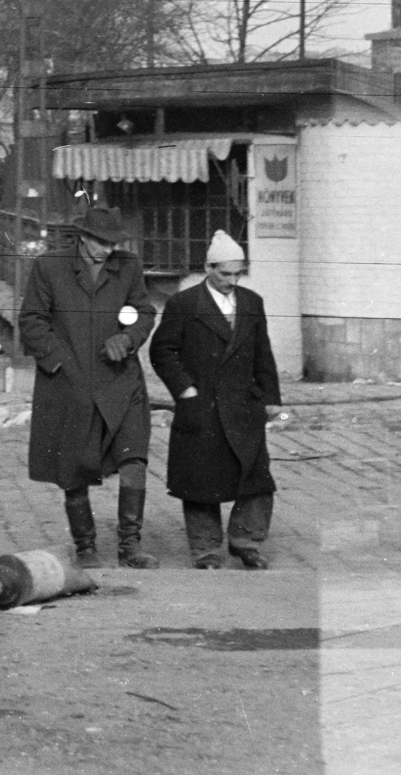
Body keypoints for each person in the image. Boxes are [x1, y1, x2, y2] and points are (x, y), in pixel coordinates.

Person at [19, 206, 160, 570]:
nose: (106, 249)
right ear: (82, 236)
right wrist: (59, 363)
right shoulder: (49, 267)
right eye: (99, 241)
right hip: (70, 384)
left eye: (113, 243)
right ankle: (85, 546)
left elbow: (144, 313)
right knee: (74, 465)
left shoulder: (128, 267)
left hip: (120, 382)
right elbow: (32, 320)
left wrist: (127, 339)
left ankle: (130, 546)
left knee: (134, 458)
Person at [149, 231, 282, 570]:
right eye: (224, 273)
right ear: (208, 268)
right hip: (202, 405)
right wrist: (185, 390)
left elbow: (262, 352)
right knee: (201, 478)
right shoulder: (185, 304)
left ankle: (246, 541)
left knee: (255, 475)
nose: (231, 280)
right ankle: (206, 549)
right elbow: (162, 351)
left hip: (242, 405)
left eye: (238, 273)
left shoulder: (252, 303)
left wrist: (271, 397)